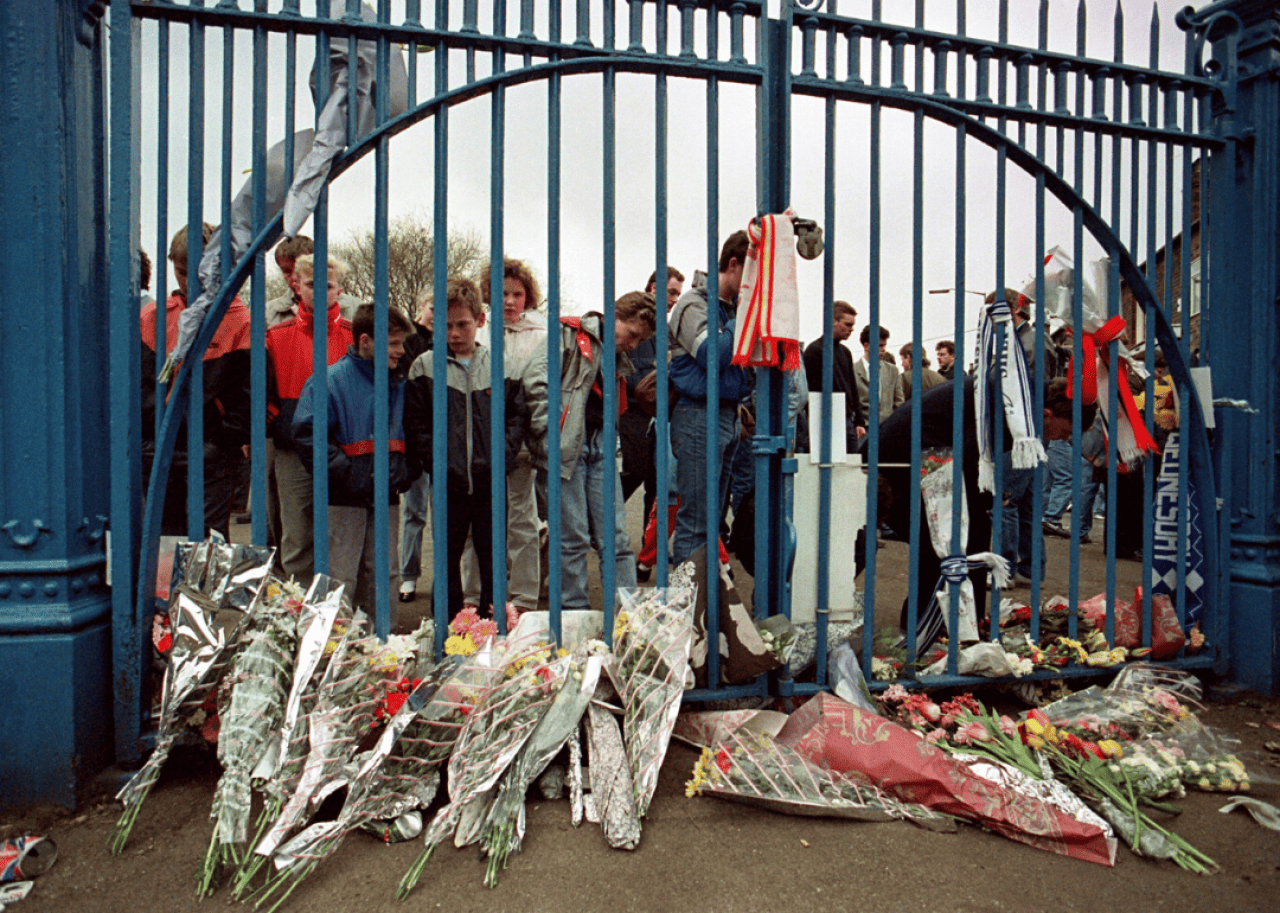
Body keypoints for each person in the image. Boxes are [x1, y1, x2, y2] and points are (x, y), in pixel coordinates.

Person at [870, 377, 1096, 646]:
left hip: (929, 452)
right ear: (1048, 414)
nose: (1065, 440)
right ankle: (929, 630)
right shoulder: (1013, 406)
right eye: (1065, 432)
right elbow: (968, 452)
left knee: (970, 533)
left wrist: (982, 496)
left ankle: (962, 626)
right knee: (944, 542)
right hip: (906, 457)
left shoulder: (1019, 398)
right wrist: (981, 495)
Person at [403, 278, 528, 619]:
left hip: (489, 480)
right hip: (448, 481)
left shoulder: (502, 365)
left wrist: (501, 454)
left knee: (492, 558)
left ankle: (491, 628)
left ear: (480, 321)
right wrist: (436, 460)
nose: (454, 333)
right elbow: (415, 422)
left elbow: (517, 416)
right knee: (446, 559)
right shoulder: (425, 366)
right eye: (446, 325)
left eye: (463, 324)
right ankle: (445, 631)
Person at [527, 292, 657, 609]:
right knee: (572, 539)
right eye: (633, 335)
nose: (634, 345)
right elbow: (535, 381)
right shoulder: (568, 334)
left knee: (616, 539)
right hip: (568, 444)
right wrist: (550, 435)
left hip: (601, 443)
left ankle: (627, 616)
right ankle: (574, 614)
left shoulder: (614, 354)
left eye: (641, 341)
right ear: (613, 317)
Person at [292, 304, 415, 619]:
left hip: (385, 492)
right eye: (393, 343)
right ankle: (334, 648)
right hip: (343, 495)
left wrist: (404, 473)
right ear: (365, 341)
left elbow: (417, 434)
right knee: (340, 574)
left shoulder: (400, 383)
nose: (401, 351)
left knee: (385, 573)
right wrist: (348, 474)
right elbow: (308, 436)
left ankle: (382, 651)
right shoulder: (328, 381)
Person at [141, 223, 250, 539]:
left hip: (210, 452)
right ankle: (163, 592)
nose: (189, 283)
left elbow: (251, 395)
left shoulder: (239, 319)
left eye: (198, 274)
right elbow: (136, 385)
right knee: (164, 542)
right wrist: (149, 438)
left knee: (207, 544)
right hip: (160, 448)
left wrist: (218, 443)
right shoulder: (153, 317)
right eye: (181, 272)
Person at [264, 254, 354, 582]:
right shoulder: (277, 336)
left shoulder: (354, 335)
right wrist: (278, 424)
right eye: (312, 283)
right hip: (292, 450)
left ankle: (337, 612)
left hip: (339, 447)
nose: (319, 291)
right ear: (297, 286)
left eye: (326, 285)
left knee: (339, 531)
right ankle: (297, 608)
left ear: (339, 290)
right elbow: (264, 392)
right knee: (296, 534)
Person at [668, 232, 754, 565]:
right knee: (696, 519)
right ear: (734, 264)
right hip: (698, 414)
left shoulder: (726, 309)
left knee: (711, 519)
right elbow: (711, 354)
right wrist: (741, 320)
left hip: (727, 414)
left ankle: (700, 603)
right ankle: (685, 605)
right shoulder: (694, 303)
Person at [486, 257, 548, 615]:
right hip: (481, 437)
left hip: (521, 438)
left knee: (522, 517)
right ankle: (477, 594)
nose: (509, 301)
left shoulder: (540, 336)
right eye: (502, 293)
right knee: (480, 517)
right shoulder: (478, 328)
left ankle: (524, 596)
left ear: (528, 297)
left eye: (517, 294)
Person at [623, 265, 685, 580]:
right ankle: (606, 526)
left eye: (677, 293)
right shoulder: (640, 324)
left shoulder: (669, 328)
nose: (674, 299)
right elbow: (630, 370)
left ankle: (652, 548)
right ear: (653, 288)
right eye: (670, 292)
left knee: (658, 483)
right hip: (635, 412)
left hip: (660, 413)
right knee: (633, 471)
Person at [397, 295, 433, 602]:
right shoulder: (409, 341)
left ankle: (450, 581)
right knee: (414, 512)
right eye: (433, 309)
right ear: (422, 306)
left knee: (449, 513)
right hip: (415, 439)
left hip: (446, 439)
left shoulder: (452, 340)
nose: (436, 316)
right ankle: (408, 577)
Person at [801, 300, 865, 448]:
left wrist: (859, 421)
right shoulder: (814, 351)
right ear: (833, 322)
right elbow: (811, 390)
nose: (852, 329)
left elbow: (852, 389)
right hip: (825, 418)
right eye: (848, 324)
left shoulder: (845, 352)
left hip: (845, 418)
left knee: (848, 463)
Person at [854, 325, 904, 427]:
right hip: (861, 430)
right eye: (880, 345)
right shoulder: (852, 370)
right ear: (866, 346)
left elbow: (899, 402)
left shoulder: (892, 371)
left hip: (886, 430)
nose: (883, 349)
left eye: (884, 345)